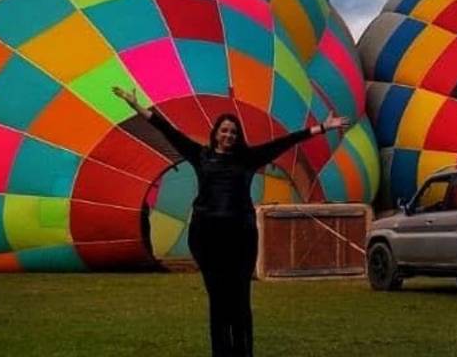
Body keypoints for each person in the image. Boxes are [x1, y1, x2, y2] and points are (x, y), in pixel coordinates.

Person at [112, 86, 350, 357]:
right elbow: (168, 131)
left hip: (240, 235)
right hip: (207, 235)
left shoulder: (248, 158)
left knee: (240, 297)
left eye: (233, 132)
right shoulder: (200, 155)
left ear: (238, 137)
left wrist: (322, 127)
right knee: (217, 299)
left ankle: (243, 352)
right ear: (216, 133)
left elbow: (284, 142)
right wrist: (136, 106)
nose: (229, 135)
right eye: (224, 130)